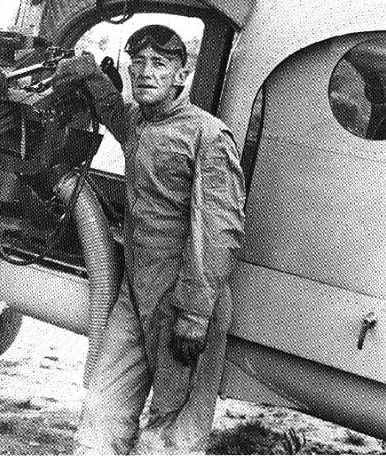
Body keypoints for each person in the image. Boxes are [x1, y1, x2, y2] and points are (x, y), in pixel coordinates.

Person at [54, 24, 246, 454]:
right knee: (102, 407)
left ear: (182, 75)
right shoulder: (138, 122)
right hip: (135, 290)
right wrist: (89, 73)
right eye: (137, 62)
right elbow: (111, 109)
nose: (145, 72)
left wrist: (194, 314)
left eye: (159, 63)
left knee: (172, 431)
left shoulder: (208, 136)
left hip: (186, 297)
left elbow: (218, 231)